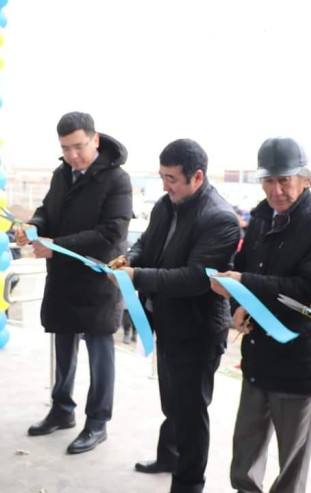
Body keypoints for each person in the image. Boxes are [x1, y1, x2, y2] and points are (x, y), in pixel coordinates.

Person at [210, 137, 311, 493]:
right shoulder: (259, 217)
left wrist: (245, 284)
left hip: (297, 357)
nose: (276, 190)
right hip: (258, 355)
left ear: (306, 179)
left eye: (284, 180)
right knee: (245, 453)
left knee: (291, 465)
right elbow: (241, 266)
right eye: (268, 181)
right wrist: (237, 305)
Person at [110, 139, 240, 493]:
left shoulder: (220, 219)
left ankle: (189, 483)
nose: (165, 186)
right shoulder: (167, 205)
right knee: (173, 401)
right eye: (162, 177)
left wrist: (137, 276)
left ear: (197, 177)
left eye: (172, 179)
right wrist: (130, 259)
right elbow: (147, 243)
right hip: (166, 321)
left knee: (191, 411)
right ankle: (168, 456)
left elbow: (195, 278)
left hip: (197, 330)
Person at [16, 112, 132, 454]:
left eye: (78, 147)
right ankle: (62, 409)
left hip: (98, 279)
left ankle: (97, 422)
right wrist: (34, 226)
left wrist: (56, 246)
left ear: (95, 139)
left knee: (100, 353)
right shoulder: (62, 174)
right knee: (63, 345)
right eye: (65, 149)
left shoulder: (117, 179)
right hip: (64, 277)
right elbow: (47, 211)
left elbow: (112, 233)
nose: (72, 156)